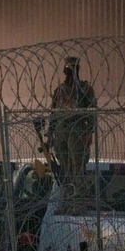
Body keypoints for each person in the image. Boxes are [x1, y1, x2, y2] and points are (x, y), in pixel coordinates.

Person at [47, 56, 97, 186]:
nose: (70, 74)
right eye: (69, 70)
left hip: (77, 128)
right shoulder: (60, 90)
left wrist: (89, 132)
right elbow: (54, 113)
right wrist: (50, 135)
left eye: (73, 70)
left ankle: (78, 191)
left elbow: (92, 112)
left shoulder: (85, 89)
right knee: (64, 165)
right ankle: (68, 188)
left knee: (78, 165)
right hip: (61, 129)